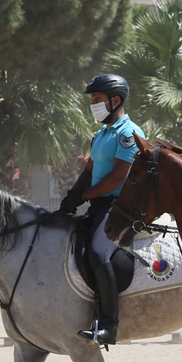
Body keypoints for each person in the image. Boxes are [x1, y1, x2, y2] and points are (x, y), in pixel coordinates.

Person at [58, 73, 145, 345]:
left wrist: (86, 194)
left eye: (97, 100)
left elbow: (119, 176)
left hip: (119, 208)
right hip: (98, 204)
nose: (93, 105)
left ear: (115, 100)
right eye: (93, 100)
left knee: (98, 252)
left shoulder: (129, 134)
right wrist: (72, 196)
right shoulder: (101, 135)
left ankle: (109, 325)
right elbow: (90, 169)